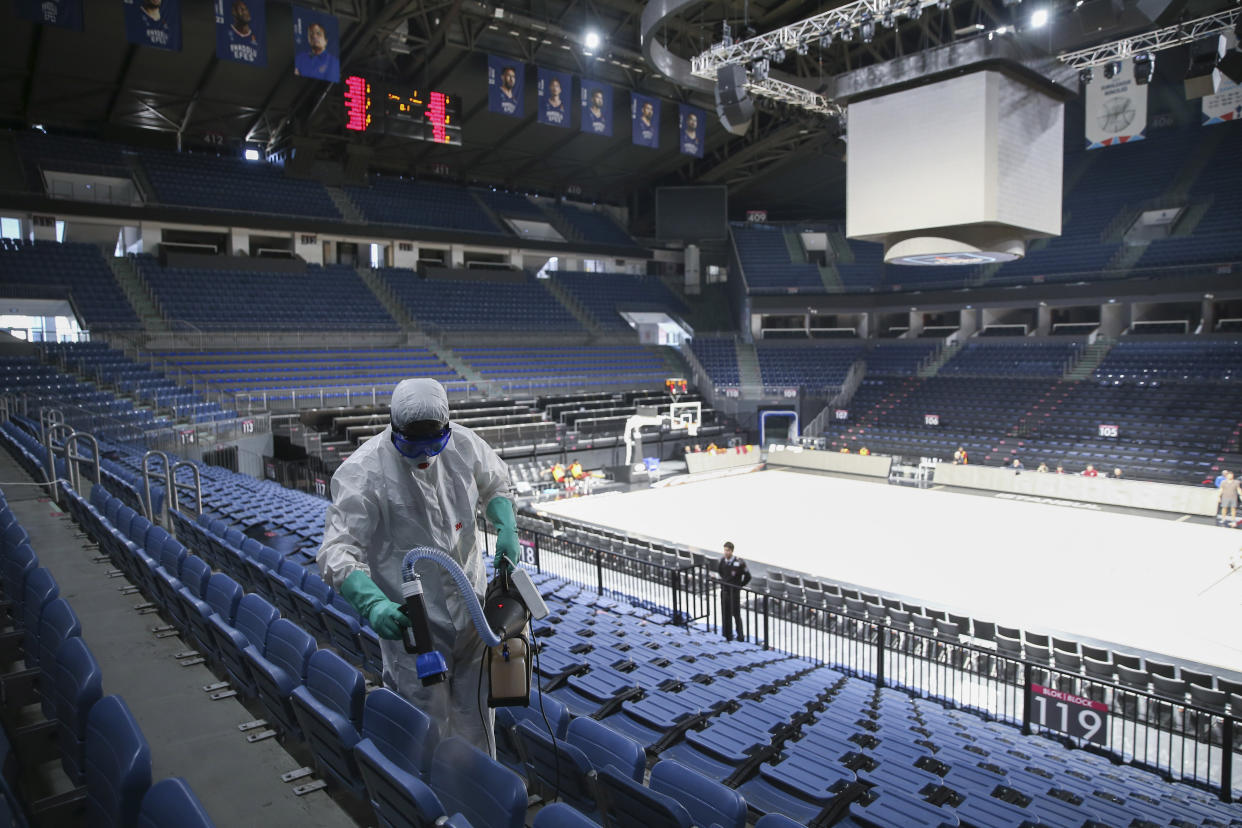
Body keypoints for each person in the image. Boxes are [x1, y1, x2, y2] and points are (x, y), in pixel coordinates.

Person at [317, 378, 519, 758]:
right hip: (415, 629)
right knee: (426, 725)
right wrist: (373, 604)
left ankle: (477, 802)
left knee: (477, 716)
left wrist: (507, 526)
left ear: (448, 427)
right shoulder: (364, 472)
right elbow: (337, 550)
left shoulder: (465, 444)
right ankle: (432, 805)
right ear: (393, 429)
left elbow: (496, 485)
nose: (424, 455)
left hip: (473, 614)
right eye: (413, 445)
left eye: (434, 444)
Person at [717, 541, 751, 642]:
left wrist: (739, 585)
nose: (726, 552)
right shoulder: (722, 561)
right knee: (725, 613)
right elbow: (721, 572)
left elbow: (748, 576)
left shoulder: (739, 562)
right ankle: (727, 634)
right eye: (725, 550)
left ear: (731, 551)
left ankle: (740, 636)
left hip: (734, 593)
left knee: (736, 614)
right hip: (725, 591)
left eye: (727, 550)